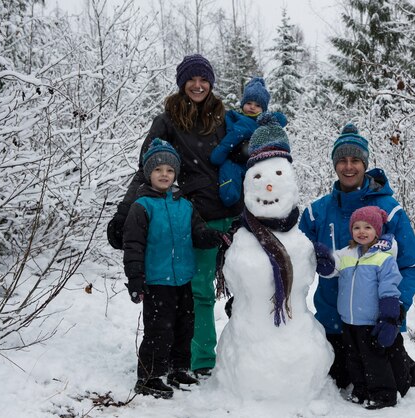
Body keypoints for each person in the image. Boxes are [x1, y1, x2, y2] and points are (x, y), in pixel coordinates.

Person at [107, 54, 241, 378]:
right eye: (191, 80)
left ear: (211, 83)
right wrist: (124, 215)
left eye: (203, 79)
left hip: (233, 215)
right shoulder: (168, 120)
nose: (198, 85)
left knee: (251, 288)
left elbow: (247, 164)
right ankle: (199, 360)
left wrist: (255, 213)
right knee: (199, 293)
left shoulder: (225, 119)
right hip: (194, 219)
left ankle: (248, 361)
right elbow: (146, 171)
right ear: (182, 83)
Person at [299, 123, 415, 391]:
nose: (348, 166)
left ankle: (402, 363)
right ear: (334, 164)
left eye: (355, 160)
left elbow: (410, 264)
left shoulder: (388, 210)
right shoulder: (317, 212)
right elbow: (291, 254)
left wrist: (396, 310)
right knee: (341, 380)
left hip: (375, 320)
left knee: (397, 384)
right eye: (342, 160)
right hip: (334, 320)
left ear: (365, 164)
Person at [122, 139, 230, 399]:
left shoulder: (185, 205)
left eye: (169, 170)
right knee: (159, 330)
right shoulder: (142, 206)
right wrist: (135, 279)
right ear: (149, 173)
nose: (164, 175)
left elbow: (198, 232)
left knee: (185, 328)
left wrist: (217, 236)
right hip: (157, 281)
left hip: (183, 279)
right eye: (158, 170)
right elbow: (133, 246)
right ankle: (149, 376)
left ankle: (177, 369)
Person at [316, 206, 409, 409]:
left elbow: (389, 289)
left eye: (368, 227)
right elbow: (333, 267)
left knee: (374, 360)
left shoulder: (384, 258)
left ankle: (384, 393)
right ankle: (361, 390)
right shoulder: (347, 254)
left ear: (377, 231)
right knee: (354, 359)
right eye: (357, 227)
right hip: (349, 321)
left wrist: (389, 317)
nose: (362, 231)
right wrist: (324, 260)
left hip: (371, 321)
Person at [210, 77, 287, 207]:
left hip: (256, 160)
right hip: (236, 157)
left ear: (264, 109)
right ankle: (230, 197)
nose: (252, 107)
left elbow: (281, 121)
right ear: (243, 103)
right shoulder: (233, 117)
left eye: (258, 105)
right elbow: (230, 136)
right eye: (249, 103)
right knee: (228, 168)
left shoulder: (263, 122)